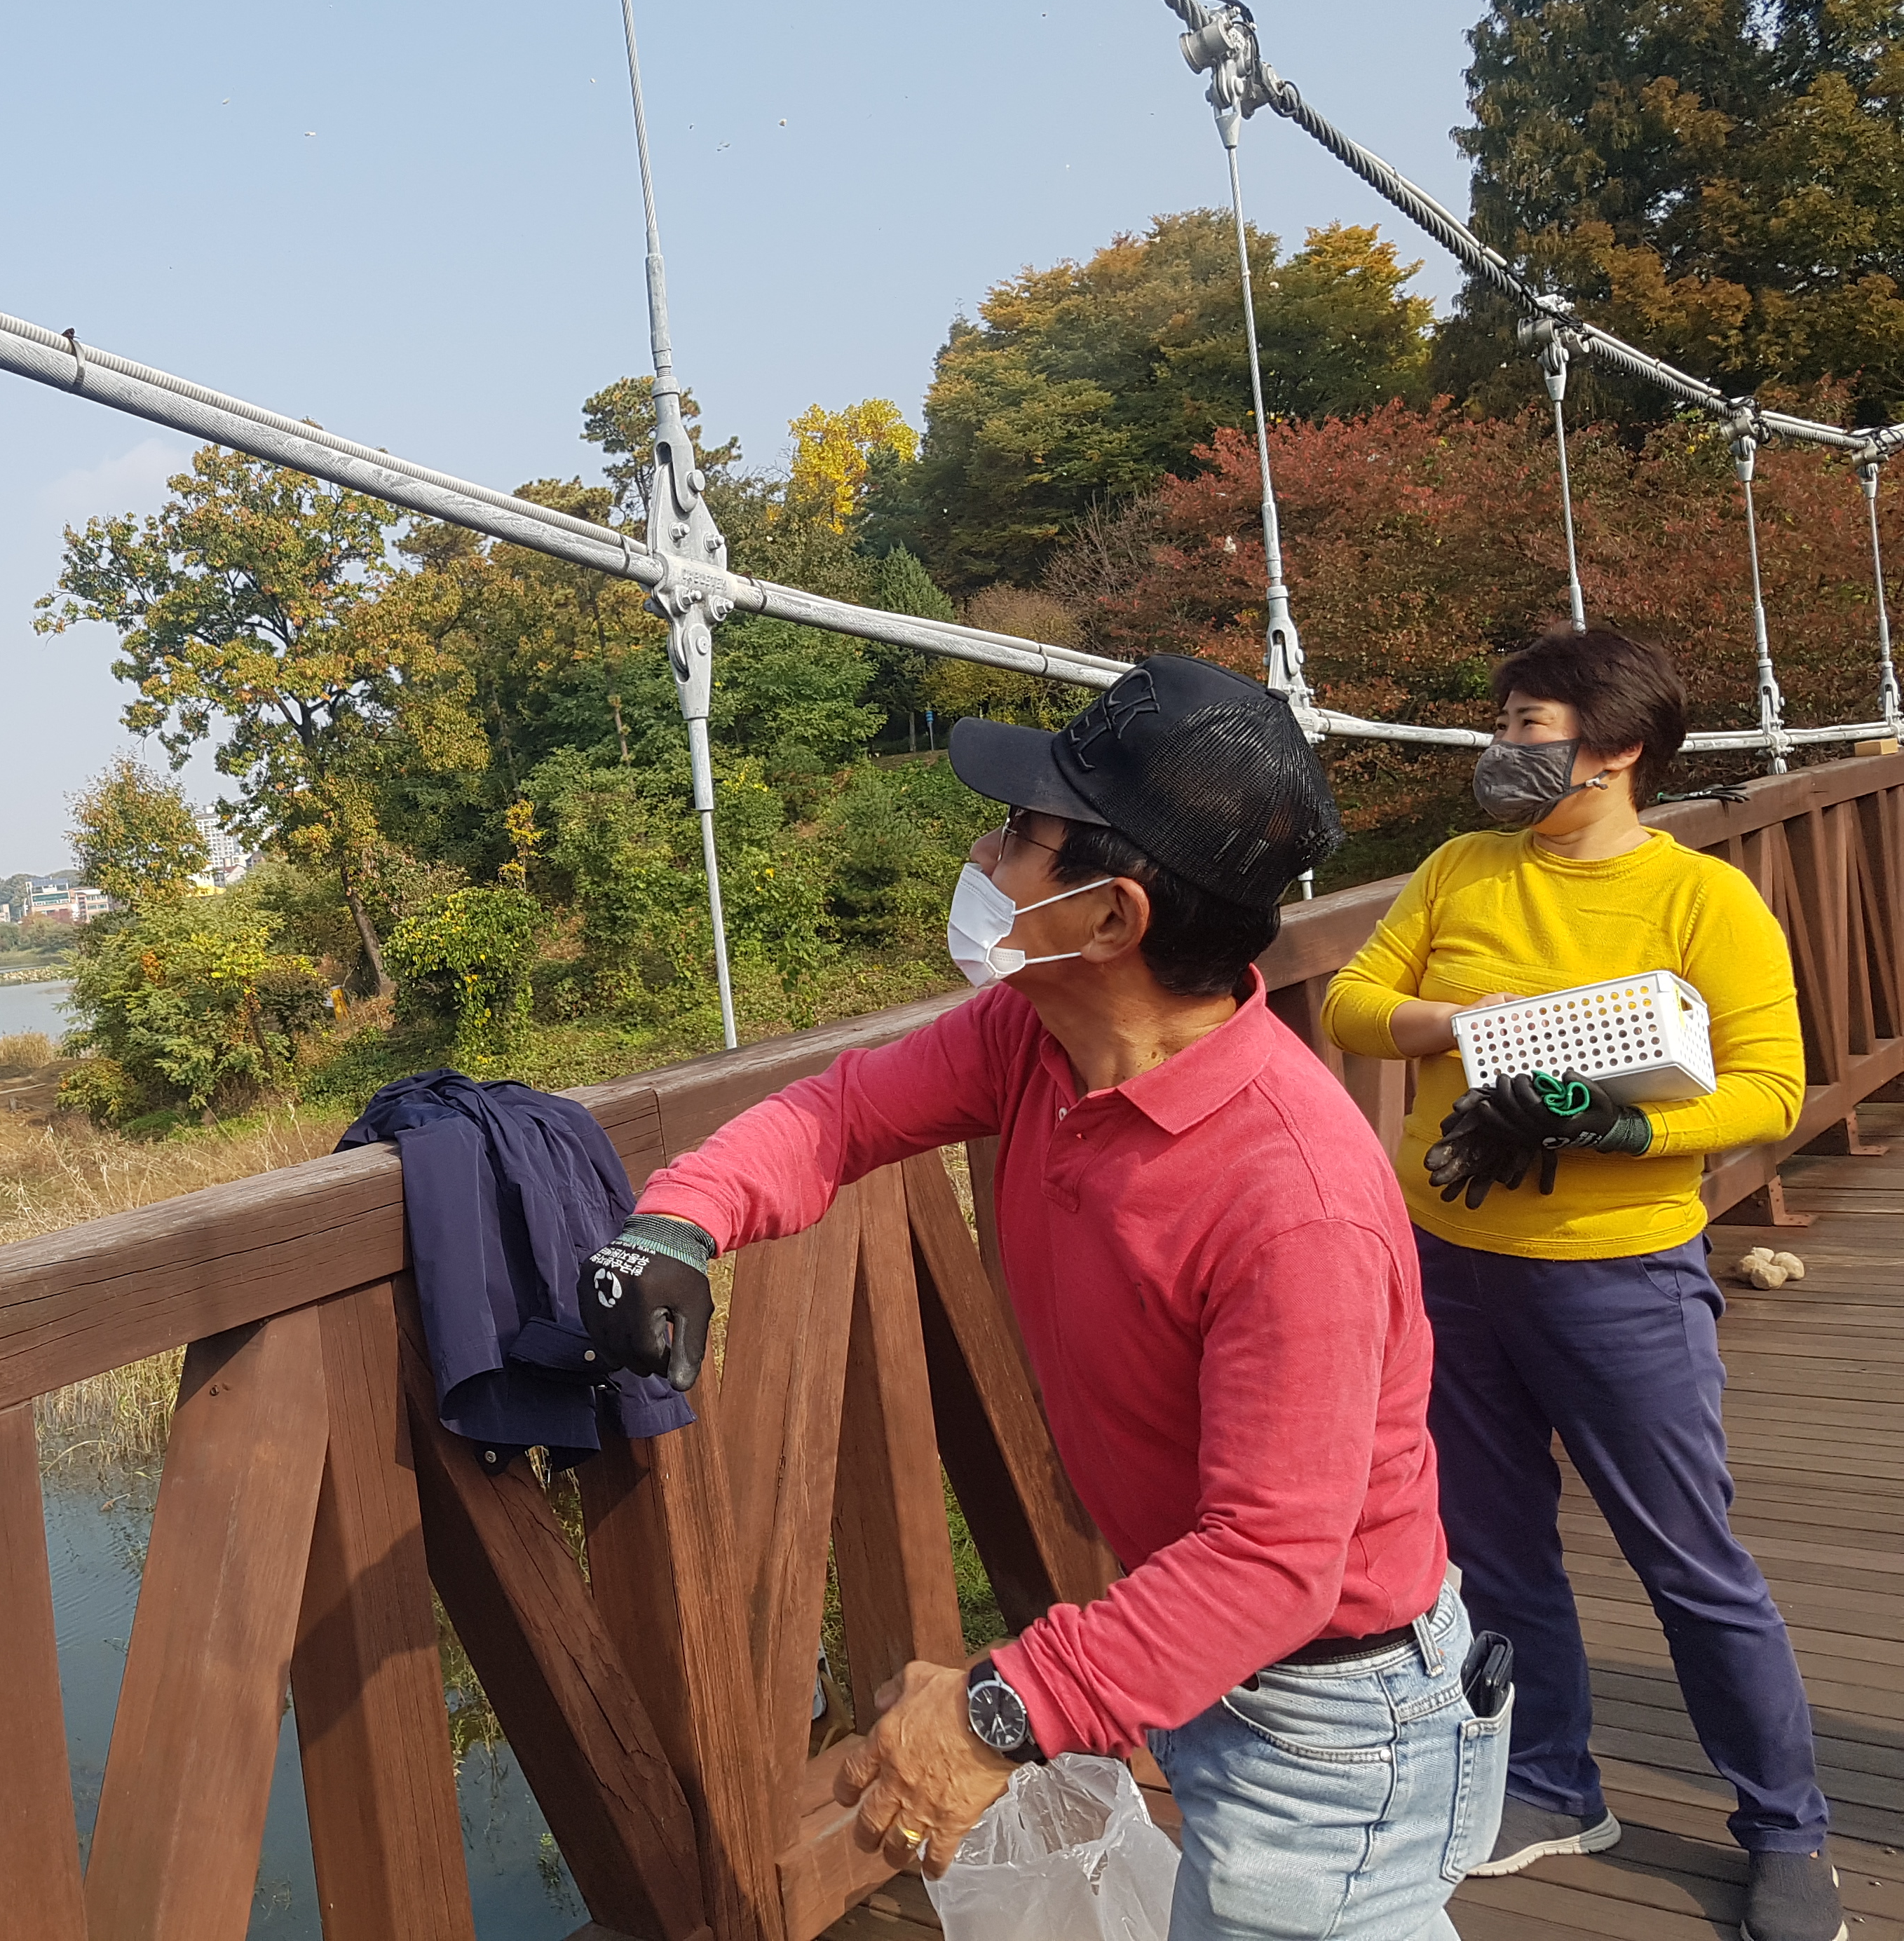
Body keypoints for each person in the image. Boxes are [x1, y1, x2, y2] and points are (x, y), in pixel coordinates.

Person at [579, 653, 1506, 1941]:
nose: (982, 852)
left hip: (1333, 1728)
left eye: (1021, 832)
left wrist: (995, 1713)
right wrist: (683, 1218)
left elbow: (1273, 1559)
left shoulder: (1294, 1195)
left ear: (1114, 918)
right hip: (1208, 1658)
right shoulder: (1040, 1036)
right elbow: (844, 1113)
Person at [1321, 629, 1840, 1941]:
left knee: (1689, 1560)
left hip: (1621, 1278)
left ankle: (1787, 1831)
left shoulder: (1703, 900)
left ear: (1616, 751)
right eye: (1502, 722)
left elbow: (1770, 1090)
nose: (1502, 747)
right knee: (1493, 1545)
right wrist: (1477, 1030)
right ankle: (1551, 1785)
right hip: (1451, 1263)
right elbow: (1355, 1005)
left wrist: (1618, 1127)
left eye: (1527, 726)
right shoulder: (1462, 867)